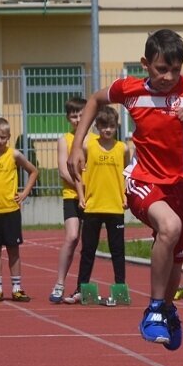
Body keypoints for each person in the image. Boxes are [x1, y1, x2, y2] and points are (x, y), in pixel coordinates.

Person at [67, 28, 183, 351]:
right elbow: (94, 99)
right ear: (145, 64)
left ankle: (169, 310)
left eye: (175, 69)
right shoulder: (130, 89)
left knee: (177, 256)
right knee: (169, 227)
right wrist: (78, 146)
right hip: (143, 180)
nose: (169, 77)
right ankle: (154, 309)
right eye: (162, 69)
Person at [65, 106, 130, 303]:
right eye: (103, 126)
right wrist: (81, 195)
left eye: (111, 126)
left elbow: (128, 172)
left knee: (117, 251)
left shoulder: (123, 148)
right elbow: (77, 172)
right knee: (88, 251)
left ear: (116, 127)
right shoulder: (88, 147)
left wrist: (126, 195)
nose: (108, 130)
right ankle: (80, 289)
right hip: (93, 205)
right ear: (97, 127)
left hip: (115, 206)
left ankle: (120, 289)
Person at [0, 117, 39, 302]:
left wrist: (24, 193)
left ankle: (17, 287)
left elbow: (33, 171)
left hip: (11, 210)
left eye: (3, 137)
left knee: (13, 250)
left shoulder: (14, 155)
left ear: (9, 137)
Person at [49, 97, 97, 303]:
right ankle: (59, 283)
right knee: (71, 237)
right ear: (68, 118)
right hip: (72, 195)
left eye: (81, 115)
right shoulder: (64, 140)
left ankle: (82, 286)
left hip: (94, 198)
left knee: (89, 243)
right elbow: (62, 169)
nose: (77, 120)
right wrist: (81, 186)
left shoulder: (95, 140)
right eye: (73, 116)